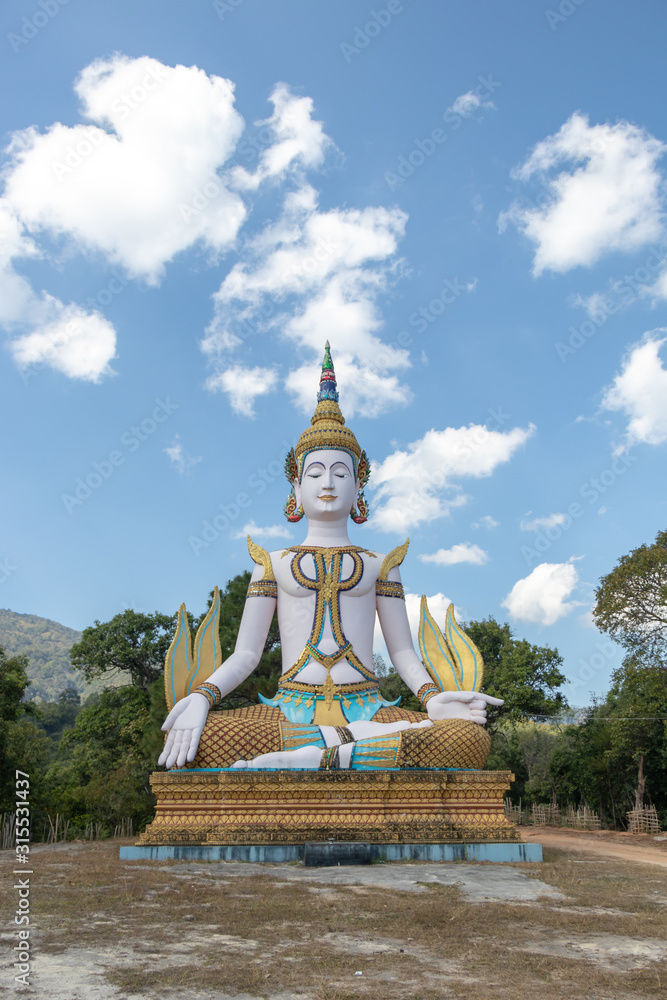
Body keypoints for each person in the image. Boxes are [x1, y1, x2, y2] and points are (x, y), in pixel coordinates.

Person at [159, 344, 502, 772]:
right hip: (288, 709)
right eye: (316, 473)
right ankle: (348, 751)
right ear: (295, 488)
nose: (328, 483)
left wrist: (434, 699)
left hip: (370, 706)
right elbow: (246, 655)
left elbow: (403, 653)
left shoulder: (382, 563)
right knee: (200, 735)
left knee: (466, 738)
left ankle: (303, 758)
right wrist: (201, 697)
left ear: (359, 487)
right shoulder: (272, 561)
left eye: (341, 473)